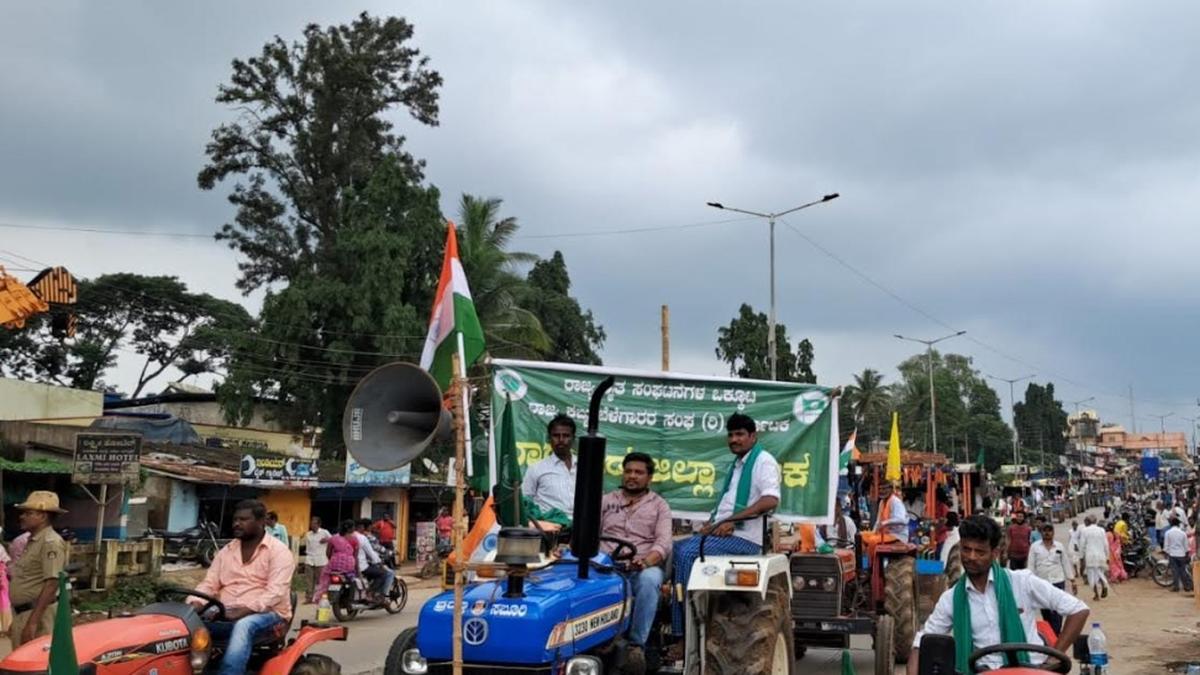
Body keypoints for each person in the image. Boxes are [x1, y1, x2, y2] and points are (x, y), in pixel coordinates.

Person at [906, 515, 1089, 675]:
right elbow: (921, 644)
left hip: (1031, 670)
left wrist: (1052, 660)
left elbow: (1078, 610)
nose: (971, 557)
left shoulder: (1022, 582)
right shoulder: (951, 599)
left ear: (994, 553)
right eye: (966, 549)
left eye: (980, 552)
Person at [670, 413, 780, 646]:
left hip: (745, 539)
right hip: (723, 533)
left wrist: (731, 521)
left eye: (740, 434)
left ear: (753, 436)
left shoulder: (763, 461)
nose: (734, 439)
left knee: (689, 553)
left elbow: (770, 500)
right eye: (730, 435)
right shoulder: (738, 465)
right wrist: (713, 526)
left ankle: (684, 633)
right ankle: (669, 611)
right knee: (669, 550)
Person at [192, 500, 294, 675]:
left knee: (244, 625)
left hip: (269, 615)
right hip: (226, 610)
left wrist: (244, 611)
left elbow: (275, 592)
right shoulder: (226, 552)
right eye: (235, 519)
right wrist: (195, 603)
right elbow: (209, 584)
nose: (237, 524)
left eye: (244, 519)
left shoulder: (279, 552)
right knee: (184, 625)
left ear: (262, 522)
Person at [599, 452, 672, 673]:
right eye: (628, 471)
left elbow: (664, 542)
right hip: (607, 565)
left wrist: (646, 562)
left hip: (642, 566)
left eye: (638, 472)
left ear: (649, 477)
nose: (632, 476)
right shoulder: (606, 501)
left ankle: (635, 646)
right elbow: (589, 534)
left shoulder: (660, 506)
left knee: (650, 581)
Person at [8, 491, 67, 648]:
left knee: (34, 666)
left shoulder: (50, 542)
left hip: (38, 615)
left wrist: (33, 622)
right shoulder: (33, 541)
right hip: (24, 613)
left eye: (29, 513)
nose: (22, 516)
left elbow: (52, 583)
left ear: (43, 516)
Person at [522, 414, 578, 518]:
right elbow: (525, 502)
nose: (561, 440)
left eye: (566, 436)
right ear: (549, 438)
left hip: (581, 528)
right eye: (556, 435)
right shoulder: (536, 469)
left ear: (573, 438)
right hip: (548, 529)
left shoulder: (585, 468)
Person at [1029, 523, 1077, 635]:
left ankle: (1056, 633)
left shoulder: (1059, 546)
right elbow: (1031, 565)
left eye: (1049, 530)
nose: (1047, 533)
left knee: (1057, 609)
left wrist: (1072, 580)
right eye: (1044, 530)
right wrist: (1029, 581)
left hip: (1058, 581)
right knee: (1045, 610)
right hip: (1041, 582)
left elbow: (1065, 563)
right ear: (1041, 533)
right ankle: (1050, 634)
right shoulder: (1035, 547)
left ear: (1053, 532)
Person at [312, 520, 358, 603]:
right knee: (354, 578)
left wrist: (334, 561)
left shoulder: (334, 538)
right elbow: (355, 556)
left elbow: (328, 553)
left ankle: (319, 597)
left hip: (334, 564)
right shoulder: (354, 539)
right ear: (351, 529)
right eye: (354, 527)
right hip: (349, 565)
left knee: (324, 576)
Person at [354, 519, 395, 603]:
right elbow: (373, 551)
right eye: (371, 526)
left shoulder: (346, 536)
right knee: (385, 574)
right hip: (365, 563)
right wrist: (379, 561)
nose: (372, 527)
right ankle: (375, 594)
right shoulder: (365, 537)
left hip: (352, 564)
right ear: (363, 527)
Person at [1078, 516, 1110, 600]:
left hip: (1090, 556)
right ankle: (1104, 585)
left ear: (1087, 522)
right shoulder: (1101, 530)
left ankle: (1096, 595)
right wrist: (1107, 556)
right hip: (1101, 555)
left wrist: (1081, 557)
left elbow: (1082, 545)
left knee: (1092, 576)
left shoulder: (1084, 531)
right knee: (1100, 573)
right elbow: (1106, 544)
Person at [302, 516, 330, 604]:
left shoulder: (324, 532)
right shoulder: (308, 534)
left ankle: (320, 597)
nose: (312, 525)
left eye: (314, 523)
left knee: (321, 580)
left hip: (321, 559)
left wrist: (326, 539)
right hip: (310, 559)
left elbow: (333, 540)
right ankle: (309, 598)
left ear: (319, 524)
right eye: (311, 523)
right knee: (309, 580)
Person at [1163, 516, 1194, 593]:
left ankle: (1176, 587)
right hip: (1181, 554)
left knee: (1175, 571)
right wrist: (1187, 554)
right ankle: (1186, 587)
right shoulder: (1183, 533)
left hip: (1172, 554)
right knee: (1182, 571)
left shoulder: (1168, 533)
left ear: (1171, 524)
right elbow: (1186, 546)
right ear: (1178, 524)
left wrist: (1166, 553)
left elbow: (1166, 545)